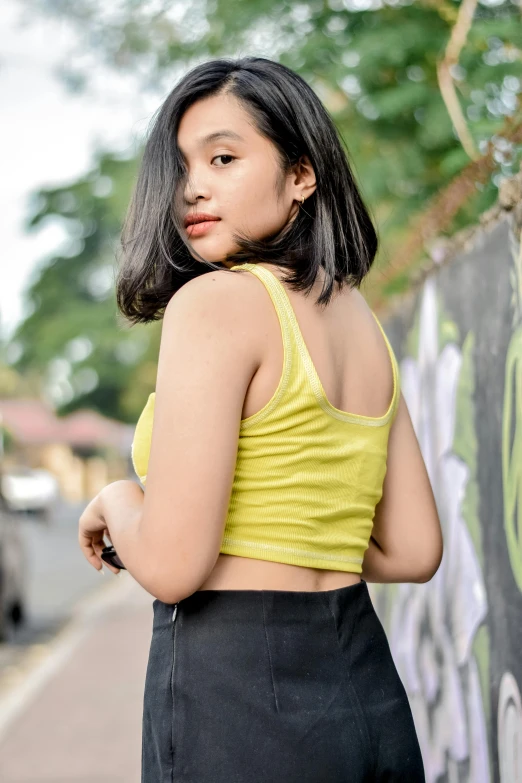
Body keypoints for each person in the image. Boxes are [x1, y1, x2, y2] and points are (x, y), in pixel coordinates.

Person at [78, 56, 443, 782]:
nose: (193, 188)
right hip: (366, 689)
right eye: (181, 166)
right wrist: (296, 536)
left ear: (302, 175)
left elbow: (176, 567)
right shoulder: (360, 321)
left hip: (238, 694)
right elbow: (414, 549)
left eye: (223, 156)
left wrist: (117, 501)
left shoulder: (215, 305)